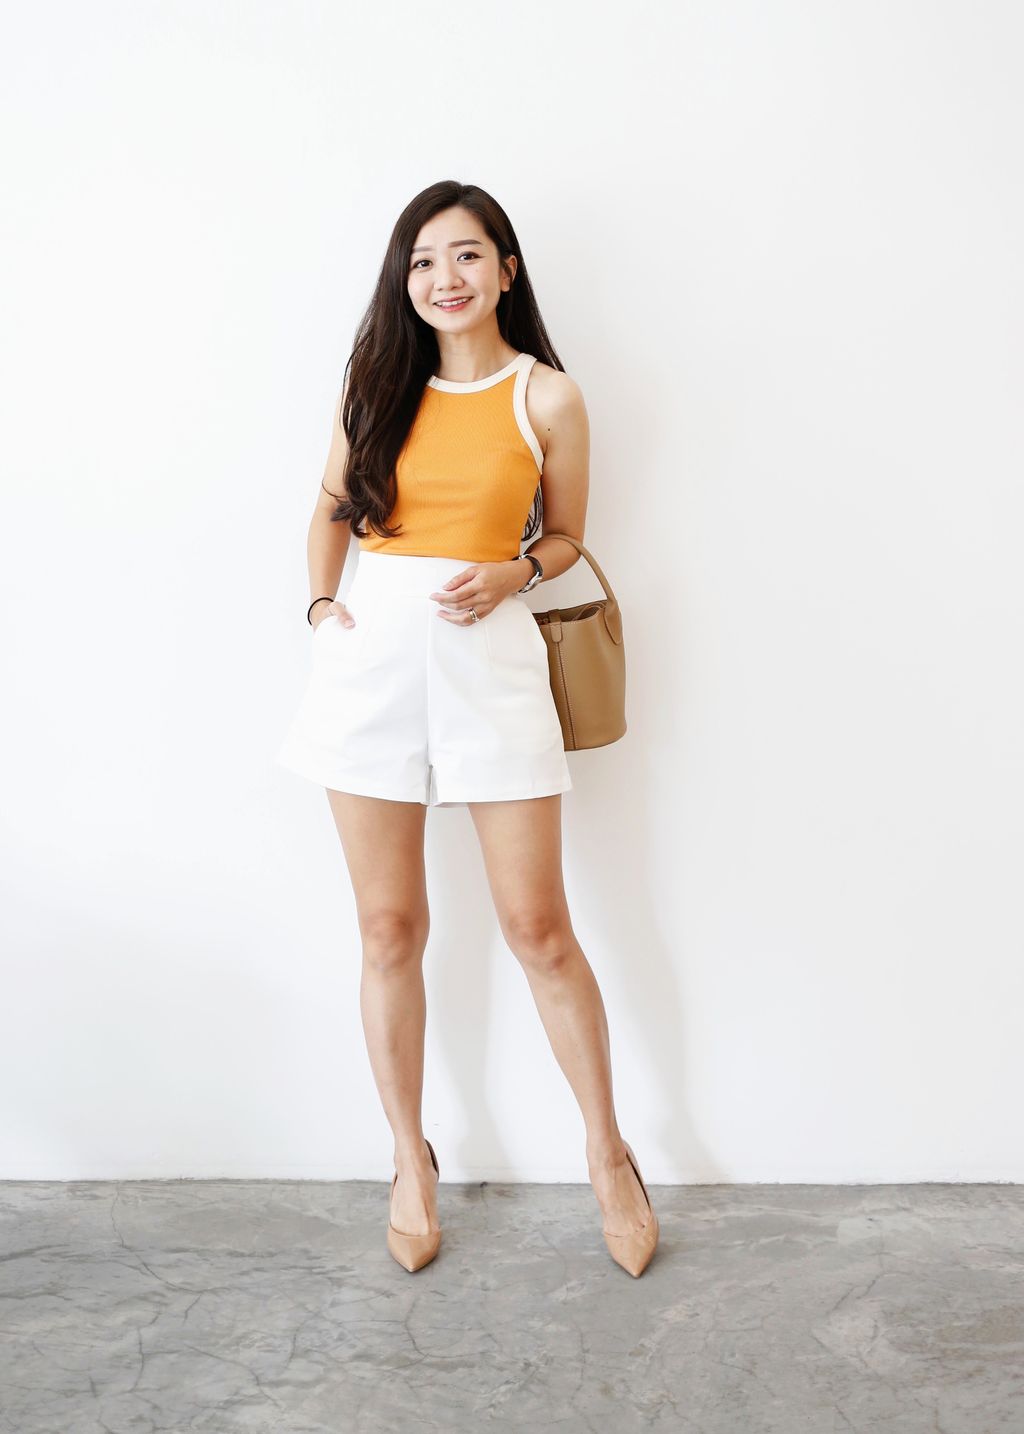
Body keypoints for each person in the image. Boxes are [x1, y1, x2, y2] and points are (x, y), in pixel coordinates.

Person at [276, 180, 658, 1277]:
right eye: (422, 262)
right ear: (404, 281)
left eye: (466, 256)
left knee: (539, 929)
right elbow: (330, 509)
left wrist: (511, 573)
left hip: (491, 668)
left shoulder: (547, 395)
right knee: (388, 929)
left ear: (505, 270)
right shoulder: (375, 383)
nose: (444, 278)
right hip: (369, 674)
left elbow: (568, 534)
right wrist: (322, 609)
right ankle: (409, 1159)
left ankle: (608, 1154)